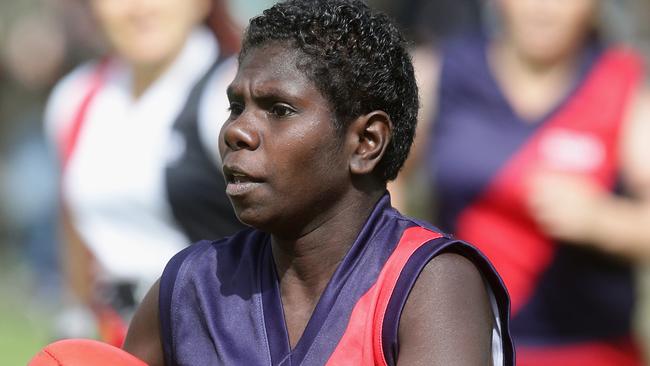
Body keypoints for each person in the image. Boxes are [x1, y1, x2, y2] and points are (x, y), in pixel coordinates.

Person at [123, 1, 515, 365]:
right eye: (236, 107)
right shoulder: (188, 287)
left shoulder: (429, 282)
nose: (237, 131)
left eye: (279, 109)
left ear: (366, 142)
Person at [392, 0, 650, 365]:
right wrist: (403, 262)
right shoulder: (441, 71)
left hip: (587, 349)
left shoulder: (626, 84)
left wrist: (601, 220)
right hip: (462, 344)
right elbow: (382, 173)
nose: (543, 10)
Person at [44, 0, 246, 345]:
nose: (140, 8)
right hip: (117, 342)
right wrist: (73, 325)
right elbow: (73, 224)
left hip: (218, 342)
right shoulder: (76, 98)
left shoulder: (234, 95)